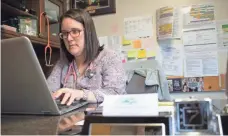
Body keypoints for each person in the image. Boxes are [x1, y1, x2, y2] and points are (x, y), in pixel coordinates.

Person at [47, 9, 126, 106]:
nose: (69, 38)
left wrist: (81, 94)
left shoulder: (110, 57)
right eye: (64, 33)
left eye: (75, 31)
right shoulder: (63, 63)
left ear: (88, 33)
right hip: (72, 119)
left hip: (101, 120)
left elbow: (116, 94)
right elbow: (48, 92)